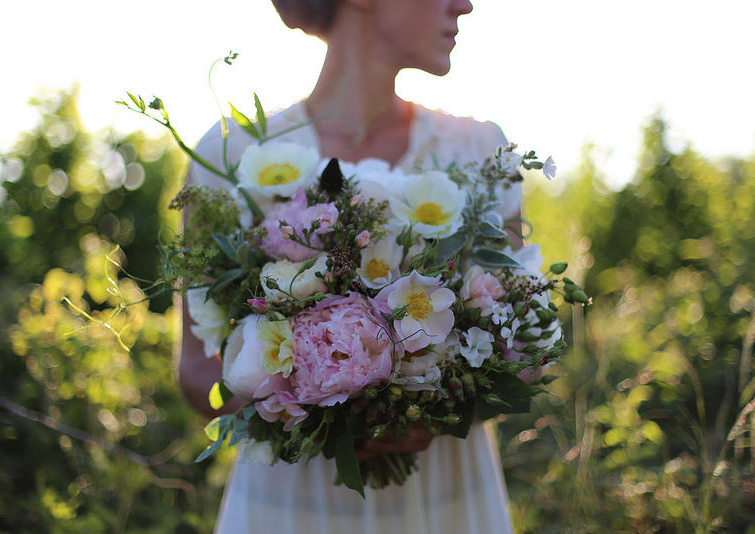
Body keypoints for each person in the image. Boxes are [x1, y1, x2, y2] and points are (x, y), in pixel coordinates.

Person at [178, 0, 522, 532]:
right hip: (294, 508)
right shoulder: (233, 155)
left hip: (445, 503)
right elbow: (199, 374)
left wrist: (438, 410)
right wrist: (323, 409)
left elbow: (527, 350)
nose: (466, 4)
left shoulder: (482, 152)